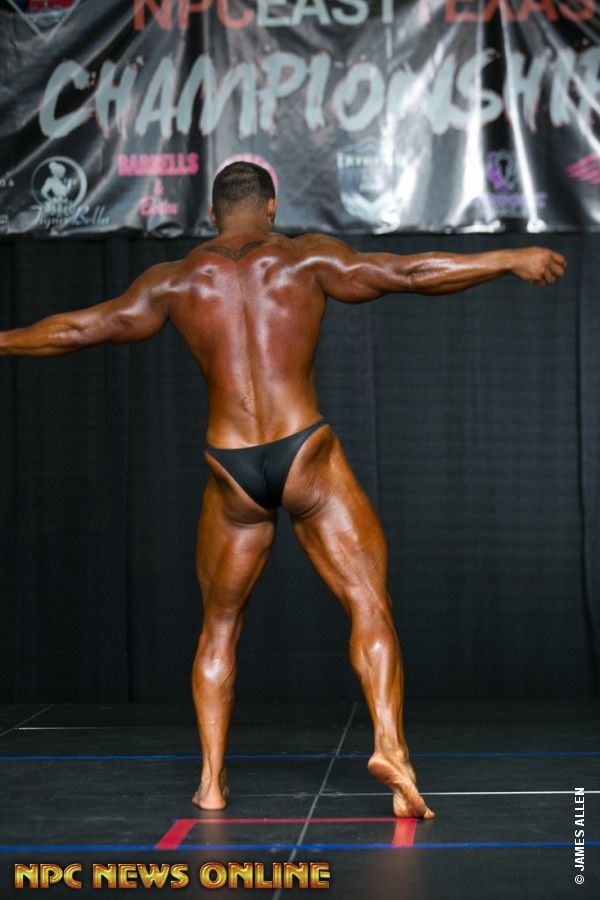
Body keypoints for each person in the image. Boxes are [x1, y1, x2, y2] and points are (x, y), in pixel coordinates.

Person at [0, 162, 567, 819]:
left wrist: (4, 340)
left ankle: (211, 783)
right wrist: (508, 258)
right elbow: (410, 273)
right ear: (271, 207)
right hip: (305, 454)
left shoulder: (174, 281)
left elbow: (79, 330)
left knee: (219, 627)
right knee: (368, 603)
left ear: (211, 215)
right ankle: (391, 747)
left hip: (231, 466)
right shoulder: (305, 259)